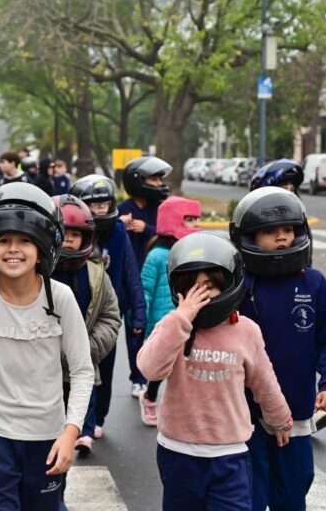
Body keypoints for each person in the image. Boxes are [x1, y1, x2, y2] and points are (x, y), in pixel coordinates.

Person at [0, 182, 94, 511]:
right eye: (4, 241)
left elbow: (83, 371)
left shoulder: (61, 297)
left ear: (42, 247)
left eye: (25, 240)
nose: (14, 249)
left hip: (47, 435)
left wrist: (71, 432)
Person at [137, 232, 293, 511]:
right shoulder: (173, 326)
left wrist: (279, 420)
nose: (202, 294)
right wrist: (181, 318)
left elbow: (264, 382)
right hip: (178, 452)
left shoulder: (245, 331)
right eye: (193, 286)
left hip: (229, 454)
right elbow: (149, 367)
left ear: (228, 285)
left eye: (209, 285)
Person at [230, 187, 326, 511]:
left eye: (288, 230)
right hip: (247, 413)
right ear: (249, 237)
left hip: (295, 411)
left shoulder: (314, 284)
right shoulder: (239, 286)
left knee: (294, 491)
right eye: (270, 231)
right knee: (250, 494)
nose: (281, 238)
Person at [70, 175, 146, 437]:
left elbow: (130, 271)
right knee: (78, 369)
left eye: (104, 204)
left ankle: (98, 417)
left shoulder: (118, 230)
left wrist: (138, 312)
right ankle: (80, 422)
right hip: (77, 309)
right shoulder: (72, 233)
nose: (99, 209)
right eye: (93, 204)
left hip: (107, 315)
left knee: (105, 367)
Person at [50, 194, 120, 455]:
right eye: (63, 233)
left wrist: (87, 348)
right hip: (43, 370)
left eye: (75, 234)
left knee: (84, 397)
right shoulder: (35, 272)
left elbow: (111, 316)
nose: (68, 239)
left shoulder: (96, 273)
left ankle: (85, 431)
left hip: (84, 359)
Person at [138, 196, 202, 426]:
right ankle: (150, 397)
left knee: (185, 365)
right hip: (161, 319)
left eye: (196, 220)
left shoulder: (192, 252)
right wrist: (141, 319)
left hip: (189, 318)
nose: (195, 225)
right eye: (189, 220)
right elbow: (145, 288)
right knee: (164, 365)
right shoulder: (157, 255)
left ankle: (179, 406)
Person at [118, 156, 172, 264]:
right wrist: (120, 224)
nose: (159, 184)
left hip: (154, 265)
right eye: (154, 179)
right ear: (137, 181)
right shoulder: (123, 209)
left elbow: (168, 235)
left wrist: (146, 229)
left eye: (160, 179)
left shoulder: (160, 208)